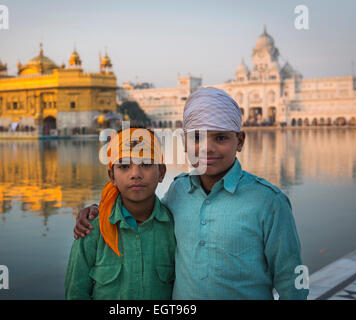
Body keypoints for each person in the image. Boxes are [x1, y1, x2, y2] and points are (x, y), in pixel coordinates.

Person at [75, 87, 308, 300]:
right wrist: (98, 208)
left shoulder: (268, 201)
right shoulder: (179, 191)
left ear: (240, 140)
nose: (207, 148)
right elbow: (141, 207)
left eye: (221, 137)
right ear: (184, 142)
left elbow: (293, 279)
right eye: (197, 137)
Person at [65, 127, 176, 300]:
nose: (135, 174)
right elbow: (75, 293)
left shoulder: (174, 228)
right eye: (124, 166)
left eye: (146, 164)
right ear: (112, 176)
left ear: (161, 172)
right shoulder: (92, 228)